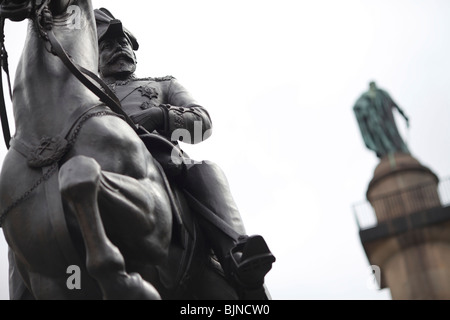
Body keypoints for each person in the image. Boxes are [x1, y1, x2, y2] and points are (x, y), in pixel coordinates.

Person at [94, 8, 275, 299]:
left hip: (161, 161)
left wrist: (160, 116)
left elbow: (202, 124)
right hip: (101, 163)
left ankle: (236, 252)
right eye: (108, 44)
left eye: (124, 43)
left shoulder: (163, 84)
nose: (120, 49)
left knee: (205, 169)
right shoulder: (85, 93)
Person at [353, 81, 410, 158]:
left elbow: (394, 104)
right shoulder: (366, 96)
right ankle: (389, 151)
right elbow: (357, 106)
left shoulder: (382, 93)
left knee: (394, 135)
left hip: (387, 119)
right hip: (375, 121)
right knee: (381, 137)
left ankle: (398, 151)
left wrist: (403, 115)